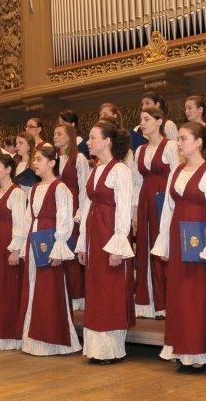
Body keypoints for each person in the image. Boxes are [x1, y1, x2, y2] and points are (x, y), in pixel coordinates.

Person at [151, 122, 206, 372]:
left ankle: (200, 350)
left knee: (198, 294)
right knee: (179, 294)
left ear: (198, 142)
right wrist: (164, 241)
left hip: (200, 238)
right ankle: (182, 348)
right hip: (177, 236)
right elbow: (168, 209)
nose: (179, 143)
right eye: (179, 139)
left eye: (184, 138)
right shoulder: (176, 172)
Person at [76, 121, 135, 365]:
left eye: (92, 137)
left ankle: (110, 349)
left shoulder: (120, 170)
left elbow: (123, 208)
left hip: (110, 233)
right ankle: (96, 347)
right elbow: (87, 206)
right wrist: (82, 243)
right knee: (96, 286)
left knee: (110, 287)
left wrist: (119, 245)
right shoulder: (96, 169)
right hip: (94, 234)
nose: (88, 142)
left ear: (107, 141)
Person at [19, 146, 81, 356]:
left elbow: (65, 220)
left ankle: (52, 340)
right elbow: (28, 217)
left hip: (50, 241)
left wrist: (58, 247)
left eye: (38, 159)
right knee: (34, 288)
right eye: (34, 159)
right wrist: (23, 245)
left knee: (50, 291)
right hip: (34, 241)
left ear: (52, 162)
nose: (34, 163)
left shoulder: (60, 188)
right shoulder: (35, 188)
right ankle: (33, 339)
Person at [132, 107, 178, 319]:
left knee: (163, 248)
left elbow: (177, 175)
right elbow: (137, 181)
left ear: (159, 121)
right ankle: (148, 302)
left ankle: (167, 302)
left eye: (147, 119)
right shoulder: (140, 150)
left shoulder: (169, 146)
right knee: (145, 247)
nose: (143, 123)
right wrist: (134, 211)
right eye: (141, 119)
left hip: (164, 201)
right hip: (144, 201)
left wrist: (174, 205)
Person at [0, 153, 27, 350]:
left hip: (8, 243)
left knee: (8, 288)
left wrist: (16, 250)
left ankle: (10, 335)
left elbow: (20, 223)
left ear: (9, 169)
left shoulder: (16, 193)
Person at [54, 123, 89, 311]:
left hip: (74, 206)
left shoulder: (79, 157)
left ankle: (78, 296)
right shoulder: (56, 158)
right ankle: (64, 291)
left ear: (70, 136)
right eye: (54, 134)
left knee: (73, 250)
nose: (55, 136)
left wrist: (81, 211)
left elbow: (84, 187)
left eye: (59, 133)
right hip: (60, 207)